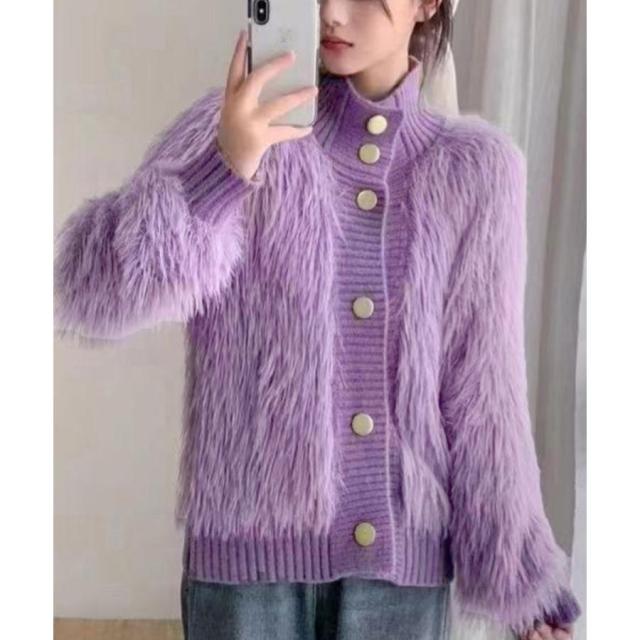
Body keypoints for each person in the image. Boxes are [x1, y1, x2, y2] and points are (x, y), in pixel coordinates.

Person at [53, 1, 583, 639]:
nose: (332, 13)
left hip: (401, 579)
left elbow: (484, 392)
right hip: (246, 576)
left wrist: (522, 583)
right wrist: (222, 171)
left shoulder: (478, 170)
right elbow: (90, 291)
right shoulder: (234, 127)